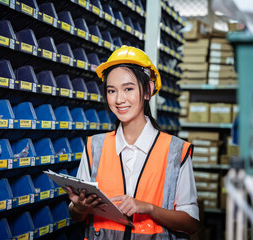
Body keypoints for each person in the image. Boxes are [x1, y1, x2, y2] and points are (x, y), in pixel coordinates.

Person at [67, 46, 199, 239]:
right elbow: (76, 216)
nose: (119, 99)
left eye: (128, 89)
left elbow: (191, 224)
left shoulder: (175, 151)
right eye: (112, 91)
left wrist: (149, 208)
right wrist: (80, 208)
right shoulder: (95, 147)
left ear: (148, 91)